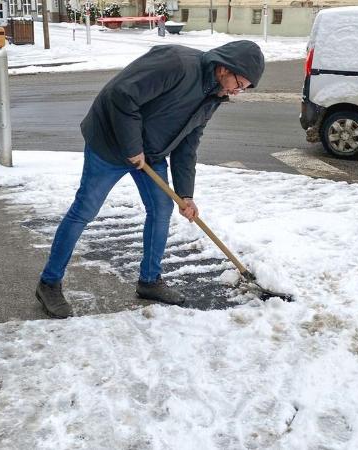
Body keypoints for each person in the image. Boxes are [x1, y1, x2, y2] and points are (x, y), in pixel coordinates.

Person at [34, 41, 265, 319]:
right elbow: (122, 94)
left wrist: (186, 194)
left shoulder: (213, 96)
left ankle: (149, 281)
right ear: (225, 68)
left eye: (243, 88)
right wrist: (132, 146)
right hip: (109, 142)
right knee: (85, 209)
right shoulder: (177, 63)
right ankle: (49, 283)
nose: (236, 92)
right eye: (238, 83)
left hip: (151, 152)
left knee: (162, 209)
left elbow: (188, 143)